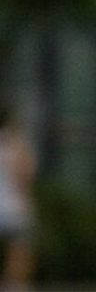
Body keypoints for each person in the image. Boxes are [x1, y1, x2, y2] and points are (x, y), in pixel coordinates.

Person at [0, 100, 34, 291]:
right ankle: (15, 286)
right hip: (13, 207)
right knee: (20, 248)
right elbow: (26, 173)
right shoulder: (15, 143)